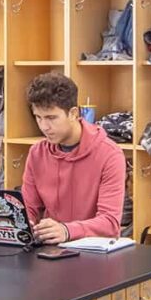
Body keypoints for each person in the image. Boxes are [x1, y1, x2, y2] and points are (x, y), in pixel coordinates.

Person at [21, 72, 126, 244]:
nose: (44, 127)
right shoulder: (36, 153)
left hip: (94, 256)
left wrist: (67, 230)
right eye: (38, 118)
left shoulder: (110, 155)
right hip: (49, 250)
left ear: (73, 113)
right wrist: (24, 224)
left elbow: (110, 223)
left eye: (51, 118)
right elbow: (29, 209)